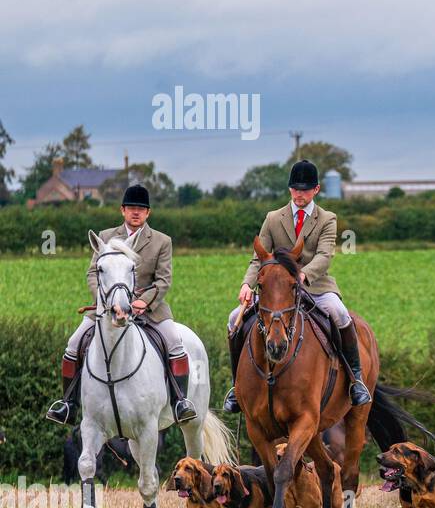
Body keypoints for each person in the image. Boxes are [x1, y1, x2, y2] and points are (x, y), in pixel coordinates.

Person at [223, 160, 371, 412]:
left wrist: (303, 276)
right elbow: (258, 257)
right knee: (234, 318)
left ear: (316, 190)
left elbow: (325, 256)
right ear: (290, 189)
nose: (299, 194)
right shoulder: (273, 218)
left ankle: (355, 379)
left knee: (340, 313)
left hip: (315, 286)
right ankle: (237, 387)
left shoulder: (327, 218)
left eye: (305, 189)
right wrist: (247, 284)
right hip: (276, 289)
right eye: (295, 189)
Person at [46, 185, 197, 426]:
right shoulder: (105, 237)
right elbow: (92, 274)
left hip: (149, 309)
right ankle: (68, 403)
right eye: (131, 208)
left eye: (141, 209)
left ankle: (180, 402)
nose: (136, 213)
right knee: (74, 344)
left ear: (148, 213)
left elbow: (163, 281)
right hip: (106, 309)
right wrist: (106, 302)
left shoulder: (161, 241)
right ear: (122, 210)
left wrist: (141, 302)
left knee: (175, 343)